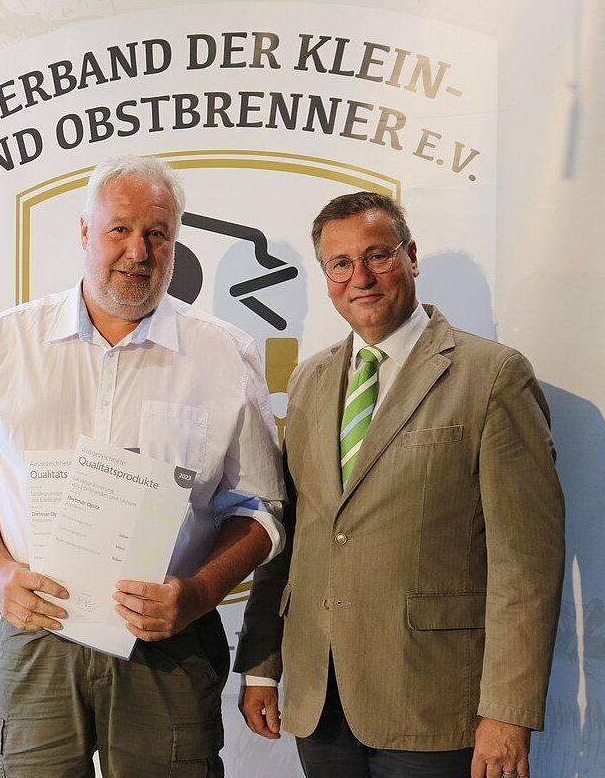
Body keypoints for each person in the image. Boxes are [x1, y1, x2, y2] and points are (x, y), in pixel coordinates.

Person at [0, 154, 285, 778]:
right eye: (120, 229)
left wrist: (197, 594)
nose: (138, 252)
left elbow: (260, 509)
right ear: (85, 232)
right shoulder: (9, 339)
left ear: (175, 243)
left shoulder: (225, 353)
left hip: (169, 642)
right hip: (40, 631)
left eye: (157, 234)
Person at [234, 191, 564, 778]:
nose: (359, 278)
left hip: (435, 703)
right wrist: (262, 665)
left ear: (410, 256)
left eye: (377, 255)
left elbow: (526, 563)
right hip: (320, 699)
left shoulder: (492, 377)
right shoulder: (309, 380)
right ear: (326, 279)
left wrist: (507, 714)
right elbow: (294, 533)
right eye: (340, 264)